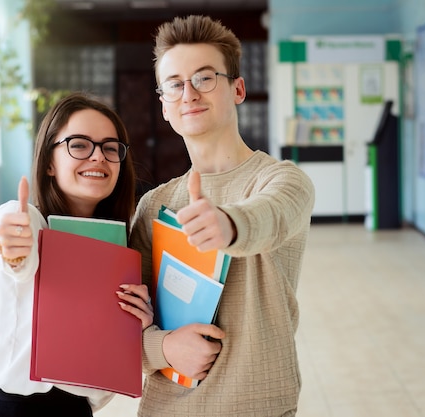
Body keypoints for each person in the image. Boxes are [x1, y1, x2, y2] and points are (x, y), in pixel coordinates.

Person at [129, 15, 316, 417]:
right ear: (163, 105)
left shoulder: (282, 181)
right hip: (165, 408)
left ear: (238, 88)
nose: (189, 94)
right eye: (175, 84)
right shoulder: (155, 206)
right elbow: (124, 326)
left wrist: (228, 224)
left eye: (204, 78)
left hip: (258, 403)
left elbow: (271, 216)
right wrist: (161, 347)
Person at [0, 92, 153, 417]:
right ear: (48, 163)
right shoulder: (26, 220)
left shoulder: (118, 250)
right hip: (16, 410)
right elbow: (16, 255)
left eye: (110, 148)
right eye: (79, 144)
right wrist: (13, 251)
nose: (98, 157)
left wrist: (136, 324)